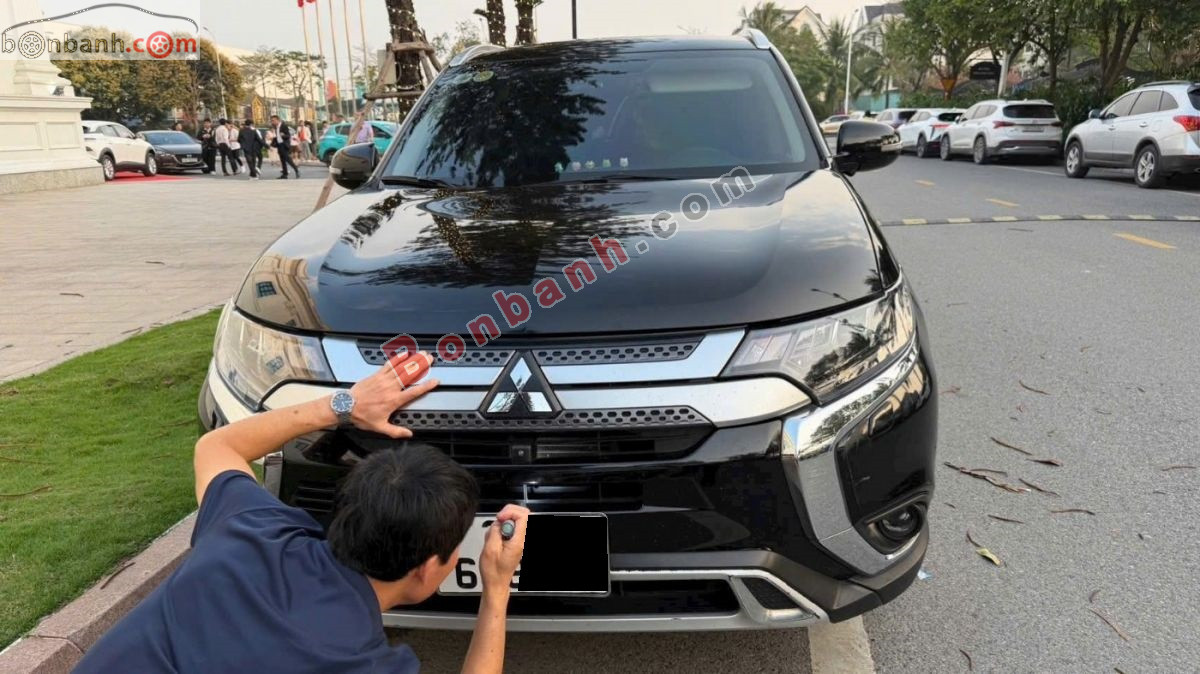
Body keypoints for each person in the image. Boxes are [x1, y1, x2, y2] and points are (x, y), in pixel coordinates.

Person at [73, 351, 527, 674]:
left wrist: (344, 404)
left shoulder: (251, 530)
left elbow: (218, 445)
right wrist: (496, 592)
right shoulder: (358, 663)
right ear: (429, 568)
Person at [270, 114, 300, 179]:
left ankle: (296, 170)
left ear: (278, 120)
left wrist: (283, 135)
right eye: (272, 121)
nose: (272, 122)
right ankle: (285, 174)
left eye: (273, 120)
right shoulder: (276, 127)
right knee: (282, 160)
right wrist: (272, 144)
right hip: (279, 145)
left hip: (284, 145)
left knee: (288, 159)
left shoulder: (284, 126)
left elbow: (288, 136)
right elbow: (277, 137)